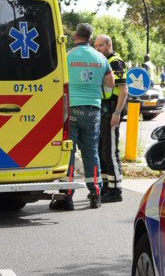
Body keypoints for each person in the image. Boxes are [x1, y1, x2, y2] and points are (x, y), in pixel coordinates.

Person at [51, 22, 112, 210]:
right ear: (91, 39)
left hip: (71, 110)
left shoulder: (67, 56)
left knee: (68, 152)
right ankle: (95, 194)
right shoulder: (101, 58)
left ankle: (66, 196)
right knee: (91, 152)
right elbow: (110, 85)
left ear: (75, 36)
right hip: (93, 110)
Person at [95, 33, 126, 202]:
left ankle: (116, 191)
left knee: (111, 151)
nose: (97, 49)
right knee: (102, 150)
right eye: (96, 46)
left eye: (100, 45)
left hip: (112, 109)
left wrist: (117, 113)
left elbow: (124, 90)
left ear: (109, 45)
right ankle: (106, 187)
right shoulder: (103, 61)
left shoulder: (115, 62)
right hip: (104, 109)